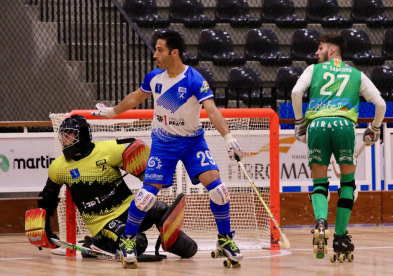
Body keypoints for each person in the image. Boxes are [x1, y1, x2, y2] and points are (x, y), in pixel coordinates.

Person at [92, 30, 244, 267]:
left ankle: (225, 240)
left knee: (219, 190)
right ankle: (127, 241)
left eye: (159, 49)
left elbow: (212, 110)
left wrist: (229, 139)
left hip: (193, 143)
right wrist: (111, 112)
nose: (155, 54)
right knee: (146, 197)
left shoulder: (195, 79)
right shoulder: (154, 78)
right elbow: (134, 98)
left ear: (175, 52)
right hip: (163, 144)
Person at [35, 114, 197, 260]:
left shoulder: (109, 150)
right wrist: (46, 229)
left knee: (160, 209)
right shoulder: (58, 167)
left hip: (129, 208)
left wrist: (150, 174)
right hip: (102, 222)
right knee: (138, 242)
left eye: (69, 136)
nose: (64, 141)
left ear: (82, 136)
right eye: (63, 137)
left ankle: (177, 245)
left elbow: (141, 161)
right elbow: (47, 198)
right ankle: (99, 243)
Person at [291, 34, 386, 260]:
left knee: (319, 184)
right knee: (348, 184)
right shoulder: (357, 74)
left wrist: (299, 122)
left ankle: (321, 221)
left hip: (317, 125)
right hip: (344, 125)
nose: (316, 52)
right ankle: (341, 237)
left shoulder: (313, 70)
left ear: (332, 50)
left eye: (320, 47)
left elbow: (296, 93)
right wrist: (374, 129)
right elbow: (381, 104)